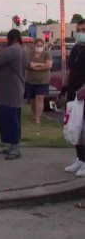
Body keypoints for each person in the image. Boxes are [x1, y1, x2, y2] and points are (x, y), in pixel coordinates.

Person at [0, 29, 29, 160]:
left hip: (9, 92)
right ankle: (12, 146)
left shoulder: (12, 50)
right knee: (12, 119)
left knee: (10, 120)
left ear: (9, 38)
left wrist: (0, 49)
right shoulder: (24, 50)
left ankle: (15, 148)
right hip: (16, 89)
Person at [59, 19, 85, 177]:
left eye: (83, 29)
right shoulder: (76, 48)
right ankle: (80, 159)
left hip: (83, 94)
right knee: (74, 127)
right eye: (79, 30)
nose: (81, 33)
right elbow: (69, 70)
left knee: (84, 128)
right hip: (73, 93)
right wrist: (63, 88)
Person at [25, 39, 53, 125]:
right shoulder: (29, 54)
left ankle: (38, 119)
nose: (39, 47)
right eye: (37, 45)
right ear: (34, 45)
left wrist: (36, 66)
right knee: (32, 100)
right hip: (30, 80)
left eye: (41, 46)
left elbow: (48, 65)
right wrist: (41, 65)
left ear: (43, 46)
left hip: (43, 80)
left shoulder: (46, 54)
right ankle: (34, 115)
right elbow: (27, 65)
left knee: (40, 99)